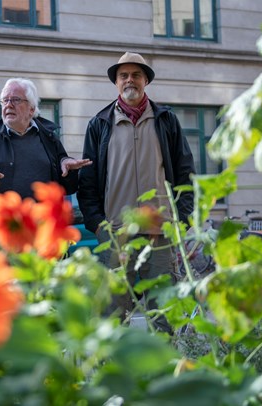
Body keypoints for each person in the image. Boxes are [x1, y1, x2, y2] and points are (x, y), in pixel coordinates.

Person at [78, 52, 196, 333]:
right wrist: (98, 225)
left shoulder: (166, 120)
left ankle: (165, 372)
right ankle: (109, 374)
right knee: (110, 317)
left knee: (164, 317)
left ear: (145, 81)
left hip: (160, 235)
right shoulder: (99, 124)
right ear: (116, 83)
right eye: (123, 75)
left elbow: (185, 174)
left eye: (136, 74)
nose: (129, 79)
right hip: (117, 235)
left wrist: (182, 220)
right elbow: (88, 182)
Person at [0, 78, 91, 202]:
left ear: (31, 109)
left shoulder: (49, 138)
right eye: (5, 100)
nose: (9, 105)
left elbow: (69, 188)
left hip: (42, 224)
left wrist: (69, 172)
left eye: (15, 100)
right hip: (2, 224)